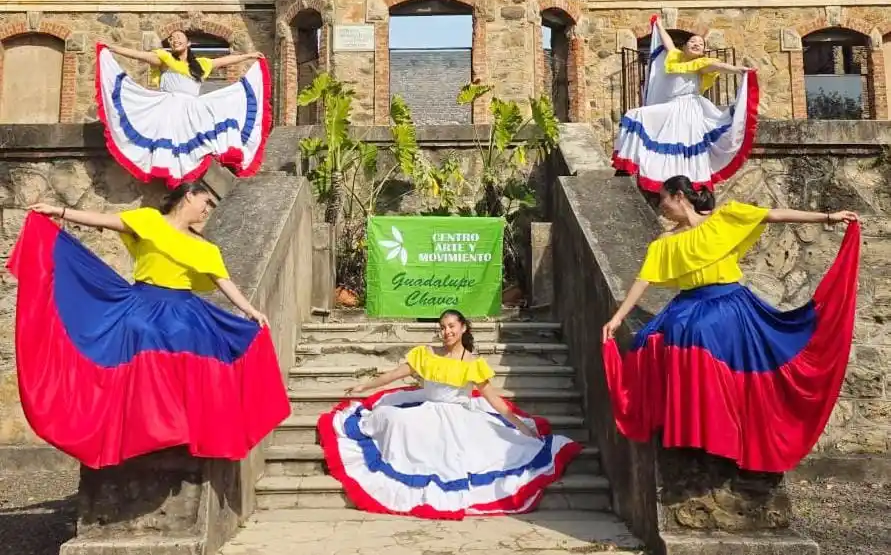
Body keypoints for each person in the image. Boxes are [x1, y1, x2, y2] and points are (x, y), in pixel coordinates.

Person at [7, 182, 290, 469]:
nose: (207, 210)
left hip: (183, 309)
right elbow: (103, 219)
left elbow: (223, 281)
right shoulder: (148, 220)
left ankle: (182, 426)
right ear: (189, 196)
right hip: (143, 302)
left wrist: (250, 310)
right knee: (139, 331)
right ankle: (145, 425)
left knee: (199, 341)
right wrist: (59, 211)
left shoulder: (204, 248)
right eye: (205, 202)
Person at [601, 175, 861, 473]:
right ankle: (687, 421)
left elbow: (773, 215)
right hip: (689, 302)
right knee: (650, 340)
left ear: (679, 196)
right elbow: (643, 279)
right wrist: (617, 317)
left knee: (698, 332)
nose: (661, 205)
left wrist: (827, 217)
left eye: (663, 198)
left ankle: (715, 424)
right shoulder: (665, 242)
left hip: (726, 299)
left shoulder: (724, 218)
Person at [317, 309, 582, 519]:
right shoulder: (426, 354)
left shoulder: (473, 363)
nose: (446, 332)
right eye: (442, 327)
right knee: (391, 418)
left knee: (461, 453)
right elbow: (394, 374)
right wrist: (365, 386)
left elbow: (495, 401)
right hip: (427, 407)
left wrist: (521, 428)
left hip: (458, 417)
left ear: (463, 328)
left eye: (451, 326)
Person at [95, 31, 271, 188]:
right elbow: (140, 55)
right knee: (171, 142)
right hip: (169, 108)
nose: (174, 40)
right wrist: (113, 48)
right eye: (171, 39)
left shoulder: (200, 65)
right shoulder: (165, 59)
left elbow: (224, 60)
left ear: (188, 43)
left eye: (179, 37)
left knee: (218, 119)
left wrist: (249, 56)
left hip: (191, 111)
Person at [612, 15, 759, 192]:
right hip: (673, 105)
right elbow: (668, 43)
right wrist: (659, 26)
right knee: (636, 115)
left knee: (686, 142)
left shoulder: (701, 64)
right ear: (684, 46)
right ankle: (629, 164)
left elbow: (718, 67)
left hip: (690, 108)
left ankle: (693, 179)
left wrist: (736, 69)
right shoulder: (675, 58)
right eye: (692, 41)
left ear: (703, 50)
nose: (696, 44)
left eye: (700, 43)